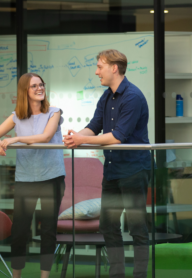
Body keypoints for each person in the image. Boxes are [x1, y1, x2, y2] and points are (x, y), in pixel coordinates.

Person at [63, 49, 151, 278]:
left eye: (100, 66)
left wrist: (83, 140)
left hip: (134, 170)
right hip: (113, 170)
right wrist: (75, 137)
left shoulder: (133, 96)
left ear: (114, 68)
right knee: (108, 225)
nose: (96, 71)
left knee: (137, 226)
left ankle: (140, 275)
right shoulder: (106, 96)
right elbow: (95, 125)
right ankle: (117, 275)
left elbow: (117, 136)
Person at [0, 73, 65, 278]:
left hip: (51, 178)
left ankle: (44, 277)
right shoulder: (16, 116)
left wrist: (15, 139)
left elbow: (46, 137)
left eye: (41, 85)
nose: (40, 88)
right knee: (19, 231)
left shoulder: (54, 112)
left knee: (48, 230)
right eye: (34, 86)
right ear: (25, 92)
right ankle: (16, 276)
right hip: (25, 179)